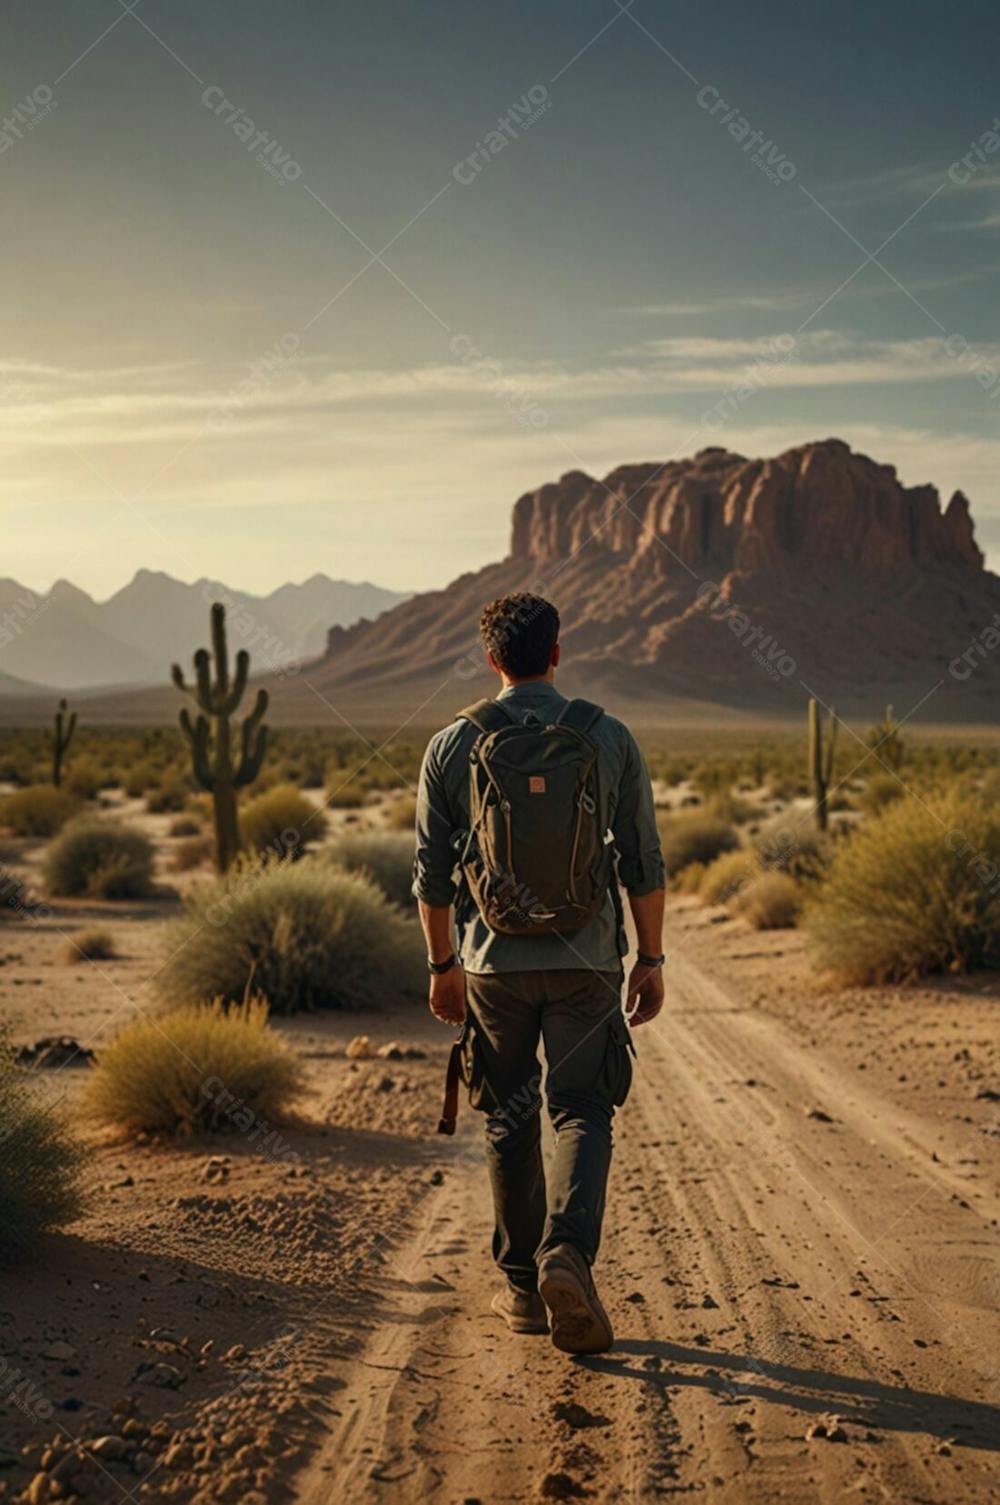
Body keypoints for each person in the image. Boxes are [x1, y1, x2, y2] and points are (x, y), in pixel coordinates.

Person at [413, 592, 666, 1354]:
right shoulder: (607, 735)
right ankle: (568, 1253)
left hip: (492, 968)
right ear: (558, 653)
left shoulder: (452, 743)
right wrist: (650, 958)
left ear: (493, 660)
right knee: (583, 1108)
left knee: (510, 1115)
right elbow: (644, 860)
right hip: (587, 961)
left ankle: (523, 1289)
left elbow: (429, 874)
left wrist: (441, 965)